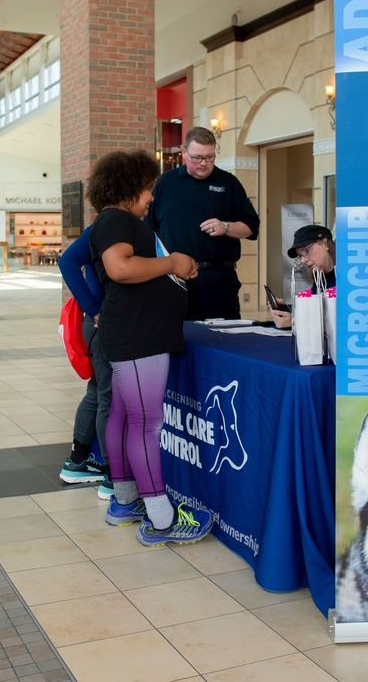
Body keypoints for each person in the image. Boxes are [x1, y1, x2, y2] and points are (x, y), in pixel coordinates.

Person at [88, 149, 214, 546]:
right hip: (138, 337)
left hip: (133, 334)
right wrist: (173, 262)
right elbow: (121, 268)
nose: (151, 197)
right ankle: (162, 520)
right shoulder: (117, 220)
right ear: (128, 189)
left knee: (125, 419)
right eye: (147, 189)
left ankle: (125, 501)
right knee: (146, 425)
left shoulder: (117, 221)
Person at [146, 126, 259, 320]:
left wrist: (226, 227)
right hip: (175, 278)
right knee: (176, 339)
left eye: (210, 157)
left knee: (224, 339)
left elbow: (251, 227)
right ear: (184, 152)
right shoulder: (166, 183)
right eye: (197, 157)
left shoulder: (229, 183)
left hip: (218, 279)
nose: (204, 163)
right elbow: (149, 231)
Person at [57, 224, 114, 498]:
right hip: (102, 323)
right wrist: (94, 308)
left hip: (96, 323)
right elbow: (66, 261)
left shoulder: (104, 228)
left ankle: (78, 460)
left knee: (97, 391)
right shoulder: (105, 228)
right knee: (107, 395)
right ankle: (112, 475)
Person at [271, 224, 336, 330]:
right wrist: (287, 309)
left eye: (306, 251)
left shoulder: (348, 275)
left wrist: (296, 321)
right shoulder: (319, 275)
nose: (303, 260)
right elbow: (316, 308)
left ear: (325, 244)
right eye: (300, 255)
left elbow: (341, 318)